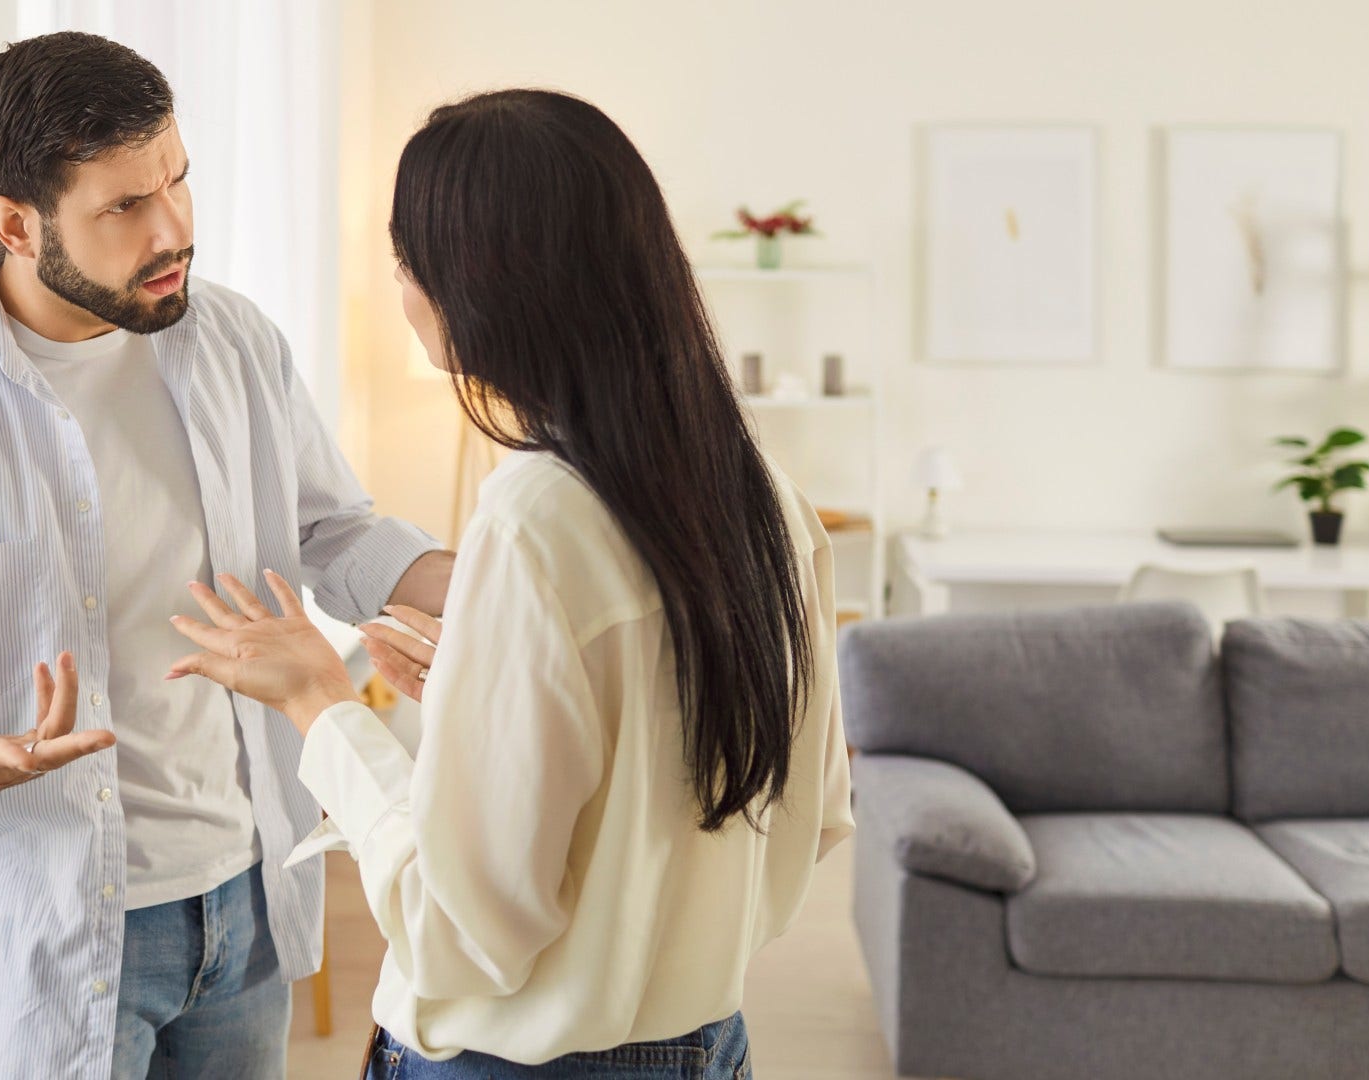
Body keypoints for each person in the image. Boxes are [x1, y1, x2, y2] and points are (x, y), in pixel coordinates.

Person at [0, 32, 452, 1080]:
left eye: (177, 181)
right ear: (11, 221)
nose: (173, 228)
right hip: (44, 947)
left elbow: (336, 531)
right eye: (124, 207)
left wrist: (510, 585)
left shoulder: (236, 342)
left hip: (248, 904)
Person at [168, 89, 855, 1078]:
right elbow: (814, 812)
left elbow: (460, 932)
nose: (401, 288)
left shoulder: (534, 517)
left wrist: (320, 703)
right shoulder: (765, 496)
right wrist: (486, 696)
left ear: (480, 285)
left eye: (406, 262)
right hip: (713, 1046)